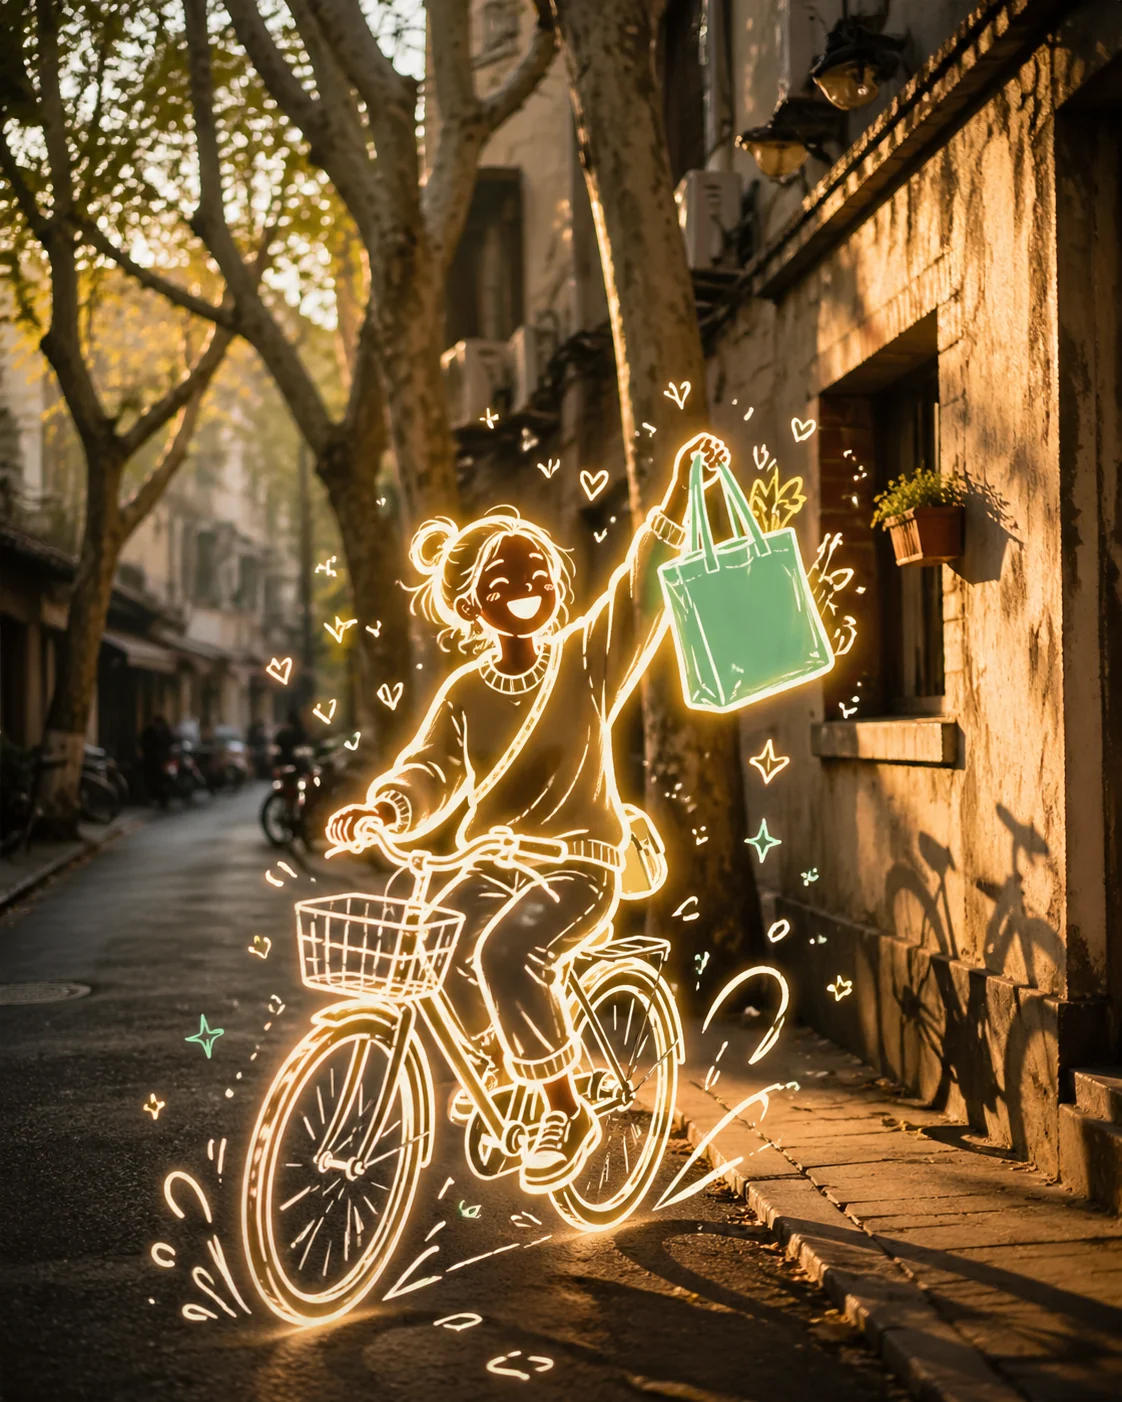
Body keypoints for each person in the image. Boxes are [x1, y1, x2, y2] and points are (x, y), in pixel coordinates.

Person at [327, 431, 728, 1194]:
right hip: (493, 864)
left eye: (540, 573)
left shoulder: (584, 659)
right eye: (509, 578)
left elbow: (641, 588)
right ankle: (508, 1079)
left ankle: (562, 1107)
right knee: (431, 947)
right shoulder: (466, 693)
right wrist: (386, 806)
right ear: (472, 600)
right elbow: (431, 770)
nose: (530, 586)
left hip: (579, 865)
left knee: (505, 956)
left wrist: (681, 494)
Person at [139, 714, 173, 808]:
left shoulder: (164, 731)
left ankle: (163, 799)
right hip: (153, 761)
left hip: (161, 761)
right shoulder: (150, 731)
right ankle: (157, 798)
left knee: (163, 780)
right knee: (155, 780)